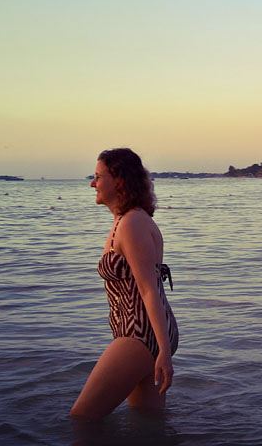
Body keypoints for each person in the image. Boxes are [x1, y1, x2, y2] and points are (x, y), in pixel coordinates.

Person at [72, 148, 179, 419]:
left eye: (98, 176)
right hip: (143, 333)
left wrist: (164, 353)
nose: (92, 183)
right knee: (147, 425)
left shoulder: (132, 223)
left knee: (81, 420)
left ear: (119, 181)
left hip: (140, 334)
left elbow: (148, 288)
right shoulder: (125, 220)